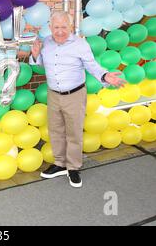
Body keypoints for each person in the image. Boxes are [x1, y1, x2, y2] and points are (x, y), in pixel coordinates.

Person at [29, 11, 126, 188]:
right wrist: (35, 55)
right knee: (56, 130)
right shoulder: (47, 43)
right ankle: (60, 164)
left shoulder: (80, 45)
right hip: (53, 95)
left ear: (71, 27)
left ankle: (73, 167)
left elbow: (92, 66)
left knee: (73, 132)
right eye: (56, 27)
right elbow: (43, 63)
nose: (60, 31)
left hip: (74, 95)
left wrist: (105, 76)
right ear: (50, 27)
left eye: (64, 27)